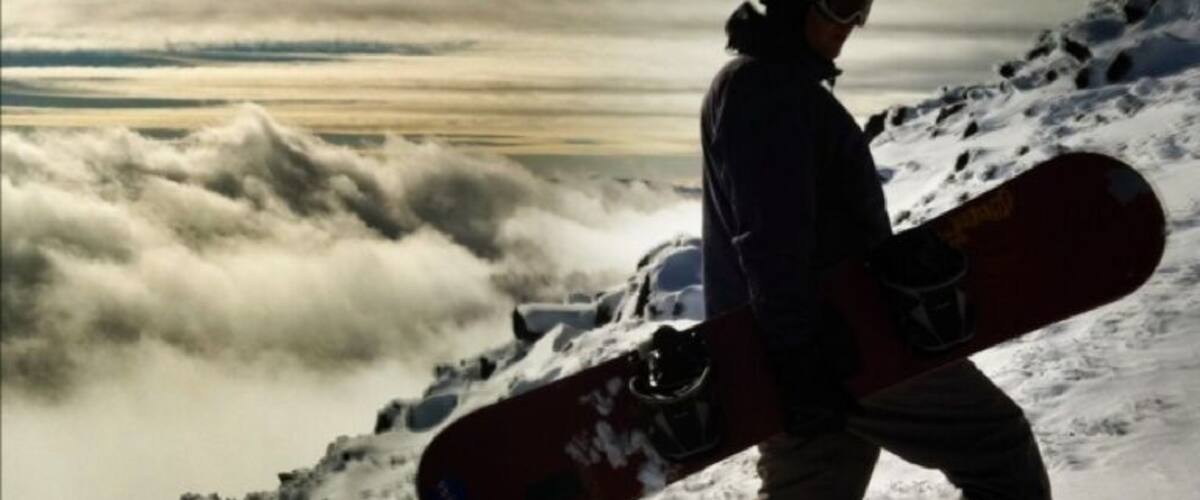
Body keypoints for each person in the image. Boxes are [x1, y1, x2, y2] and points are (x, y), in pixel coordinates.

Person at [699, 1, 1052, 498]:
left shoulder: (769, 88)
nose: (852, 25)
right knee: (996, 446)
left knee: (816, 486)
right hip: (837, 339)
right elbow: (769, 235)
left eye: (861, 8)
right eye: (840, 4)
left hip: (800, 348)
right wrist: (795, 356)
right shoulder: (765, 89)